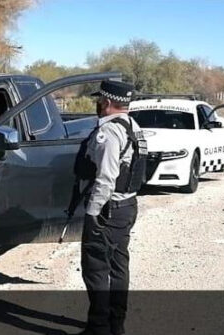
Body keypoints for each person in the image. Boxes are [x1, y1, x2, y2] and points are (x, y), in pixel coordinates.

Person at [76, 80, 145, 335]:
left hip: (109, 209)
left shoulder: (109, 132)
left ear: (106, 102)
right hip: (127, 206)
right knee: (118, 267)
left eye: (99, 101)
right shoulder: (133, 126)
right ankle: (116, 324)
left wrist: (92, 214)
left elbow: (106, 178)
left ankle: (98, 327)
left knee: (96, 268)